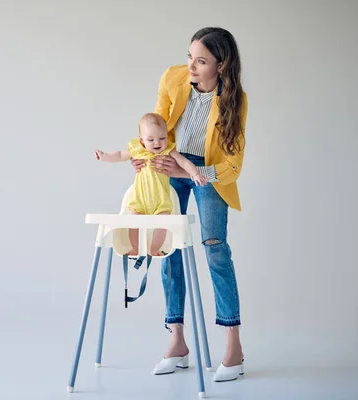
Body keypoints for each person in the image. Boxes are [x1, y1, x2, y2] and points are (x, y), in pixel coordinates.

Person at [133, 27, 249, 381]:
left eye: (201, 61)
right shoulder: (173, 78)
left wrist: (199, 172)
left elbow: (233, 163)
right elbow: (156, 127)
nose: (192, 66)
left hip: (210, 174)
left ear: (221, 64)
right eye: (190, 57)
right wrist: (147, 154)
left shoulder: (235, 100)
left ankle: (233, 347)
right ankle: (178, 342)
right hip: (172, 168)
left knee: (215, 249)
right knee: (168, 250)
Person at [95, 113, 208, 257]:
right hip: (140, 199)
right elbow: (118, 155)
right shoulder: (137, 151)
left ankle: (154, 248)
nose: (157, 143)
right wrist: (104, 156)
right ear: (141, 140)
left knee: (163, 224)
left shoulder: (168, 151)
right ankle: (135, 248)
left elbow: (184, 162)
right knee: (134, 223)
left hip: (161, 200)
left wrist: (195, 174)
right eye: (151, 139)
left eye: (162, 138)